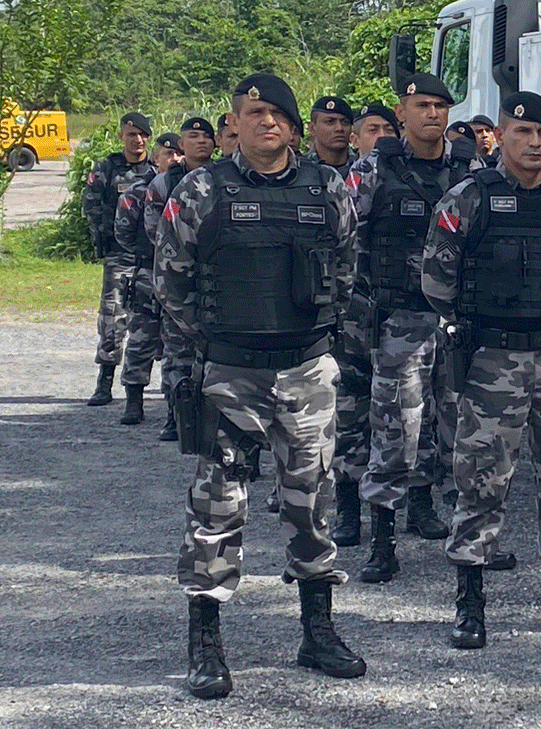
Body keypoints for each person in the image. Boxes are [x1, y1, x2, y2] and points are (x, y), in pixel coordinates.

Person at [155, 73, 365, 698]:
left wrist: (316, 336)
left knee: (313, 499)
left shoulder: (329, 188)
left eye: (278, 113)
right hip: (231, 372)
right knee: (218, 505)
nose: (266, 121)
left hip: (306, 368)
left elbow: (347, 273)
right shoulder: (200, 190)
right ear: (235, 124)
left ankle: (317, 632)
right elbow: (172, 282)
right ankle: (207, 643)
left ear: (294, 128)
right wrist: (219, 343)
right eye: (254, 112)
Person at [422, 91, 541, 648]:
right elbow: (436, 282)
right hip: (491, 360)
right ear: (499, 136)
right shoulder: (468, 198)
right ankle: (470, 601)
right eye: (519, 133)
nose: (532, 143)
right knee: (479, 479)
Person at [348, 72, 471, 582]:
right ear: (402, 112)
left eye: (441, 105)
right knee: (396, 427)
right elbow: (341, 235)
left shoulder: (471, 168)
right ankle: (382, 539)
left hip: (460, 321)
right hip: (399, 316)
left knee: (459, 427)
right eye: (422, 105)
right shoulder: (374, 169)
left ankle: (443, 517)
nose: (433, 114)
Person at [330, 102, 402, 547]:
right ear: (356, 138)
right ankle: (348, 508)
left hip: (406, 313)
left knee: (409, 417)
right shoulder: (357, 179)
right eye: (370, 129)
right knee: (352, 411)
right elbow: (339, 240)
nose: (380, 135)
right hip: (358, 310)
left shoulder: (410, 173)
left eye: (386, 128)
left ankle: (419, 506)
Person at [145, 117, 219, 442]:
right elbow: (154, 230)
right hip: (178, 275)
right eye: (193, 136)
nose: (201, 141)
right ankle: (175, 416)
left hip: (216, 279)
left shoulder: (223, 178)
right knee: (176, 352)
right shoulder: (162, 184)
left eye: (206, 136)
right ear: (181, 145)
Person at [82, 112, 154, 406]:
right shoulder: (108, 167)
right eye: (130, 135)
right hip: (119, 253)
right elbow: (92, 204)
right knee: (112, 317)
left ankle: (145, 386)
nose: (136, 140)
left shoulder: (157, 169)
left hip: (151, 255)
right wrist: (102, 239)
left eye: (141, 135)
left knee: (151, 319)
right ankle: (105, 381)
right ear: (122, 136)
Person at [113, 132, 181, 426]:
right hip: (148, 275)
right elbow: (123, 234)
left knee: (176, 345)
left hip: (179, 277)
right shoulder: (137, 192)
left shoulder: (192, 187)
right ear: (156, 158)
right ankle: (133, 401)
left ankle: (172, 410)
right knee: (141, 339)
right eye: (168, 154)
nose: (174, 159)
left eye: (179, 154)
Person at [306, 95, 356, 171]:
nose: (339, 128)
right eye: (330, 122)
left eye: (345, 122)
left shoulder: (363, 167)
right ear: (312, 128)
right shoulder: (300, 168)